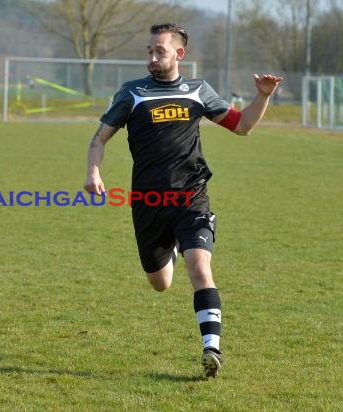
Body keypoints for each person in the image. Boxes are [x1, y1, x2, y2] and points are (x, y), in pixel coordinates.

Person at [83, 23, 282, 378]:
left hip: (192, 196)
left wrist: (263, 96)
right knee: (160, 283)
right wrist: (94, 173)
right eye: (149, 51)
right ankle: (169, 250)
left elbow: (242, 126)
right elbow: (99, 139)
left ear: (179, 54)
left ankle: (211, 349)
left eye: (159, 51)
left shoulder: (197, 91)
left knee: (200, 269)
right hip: (147, 201)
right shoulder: (132, 93)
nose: (152, 57)